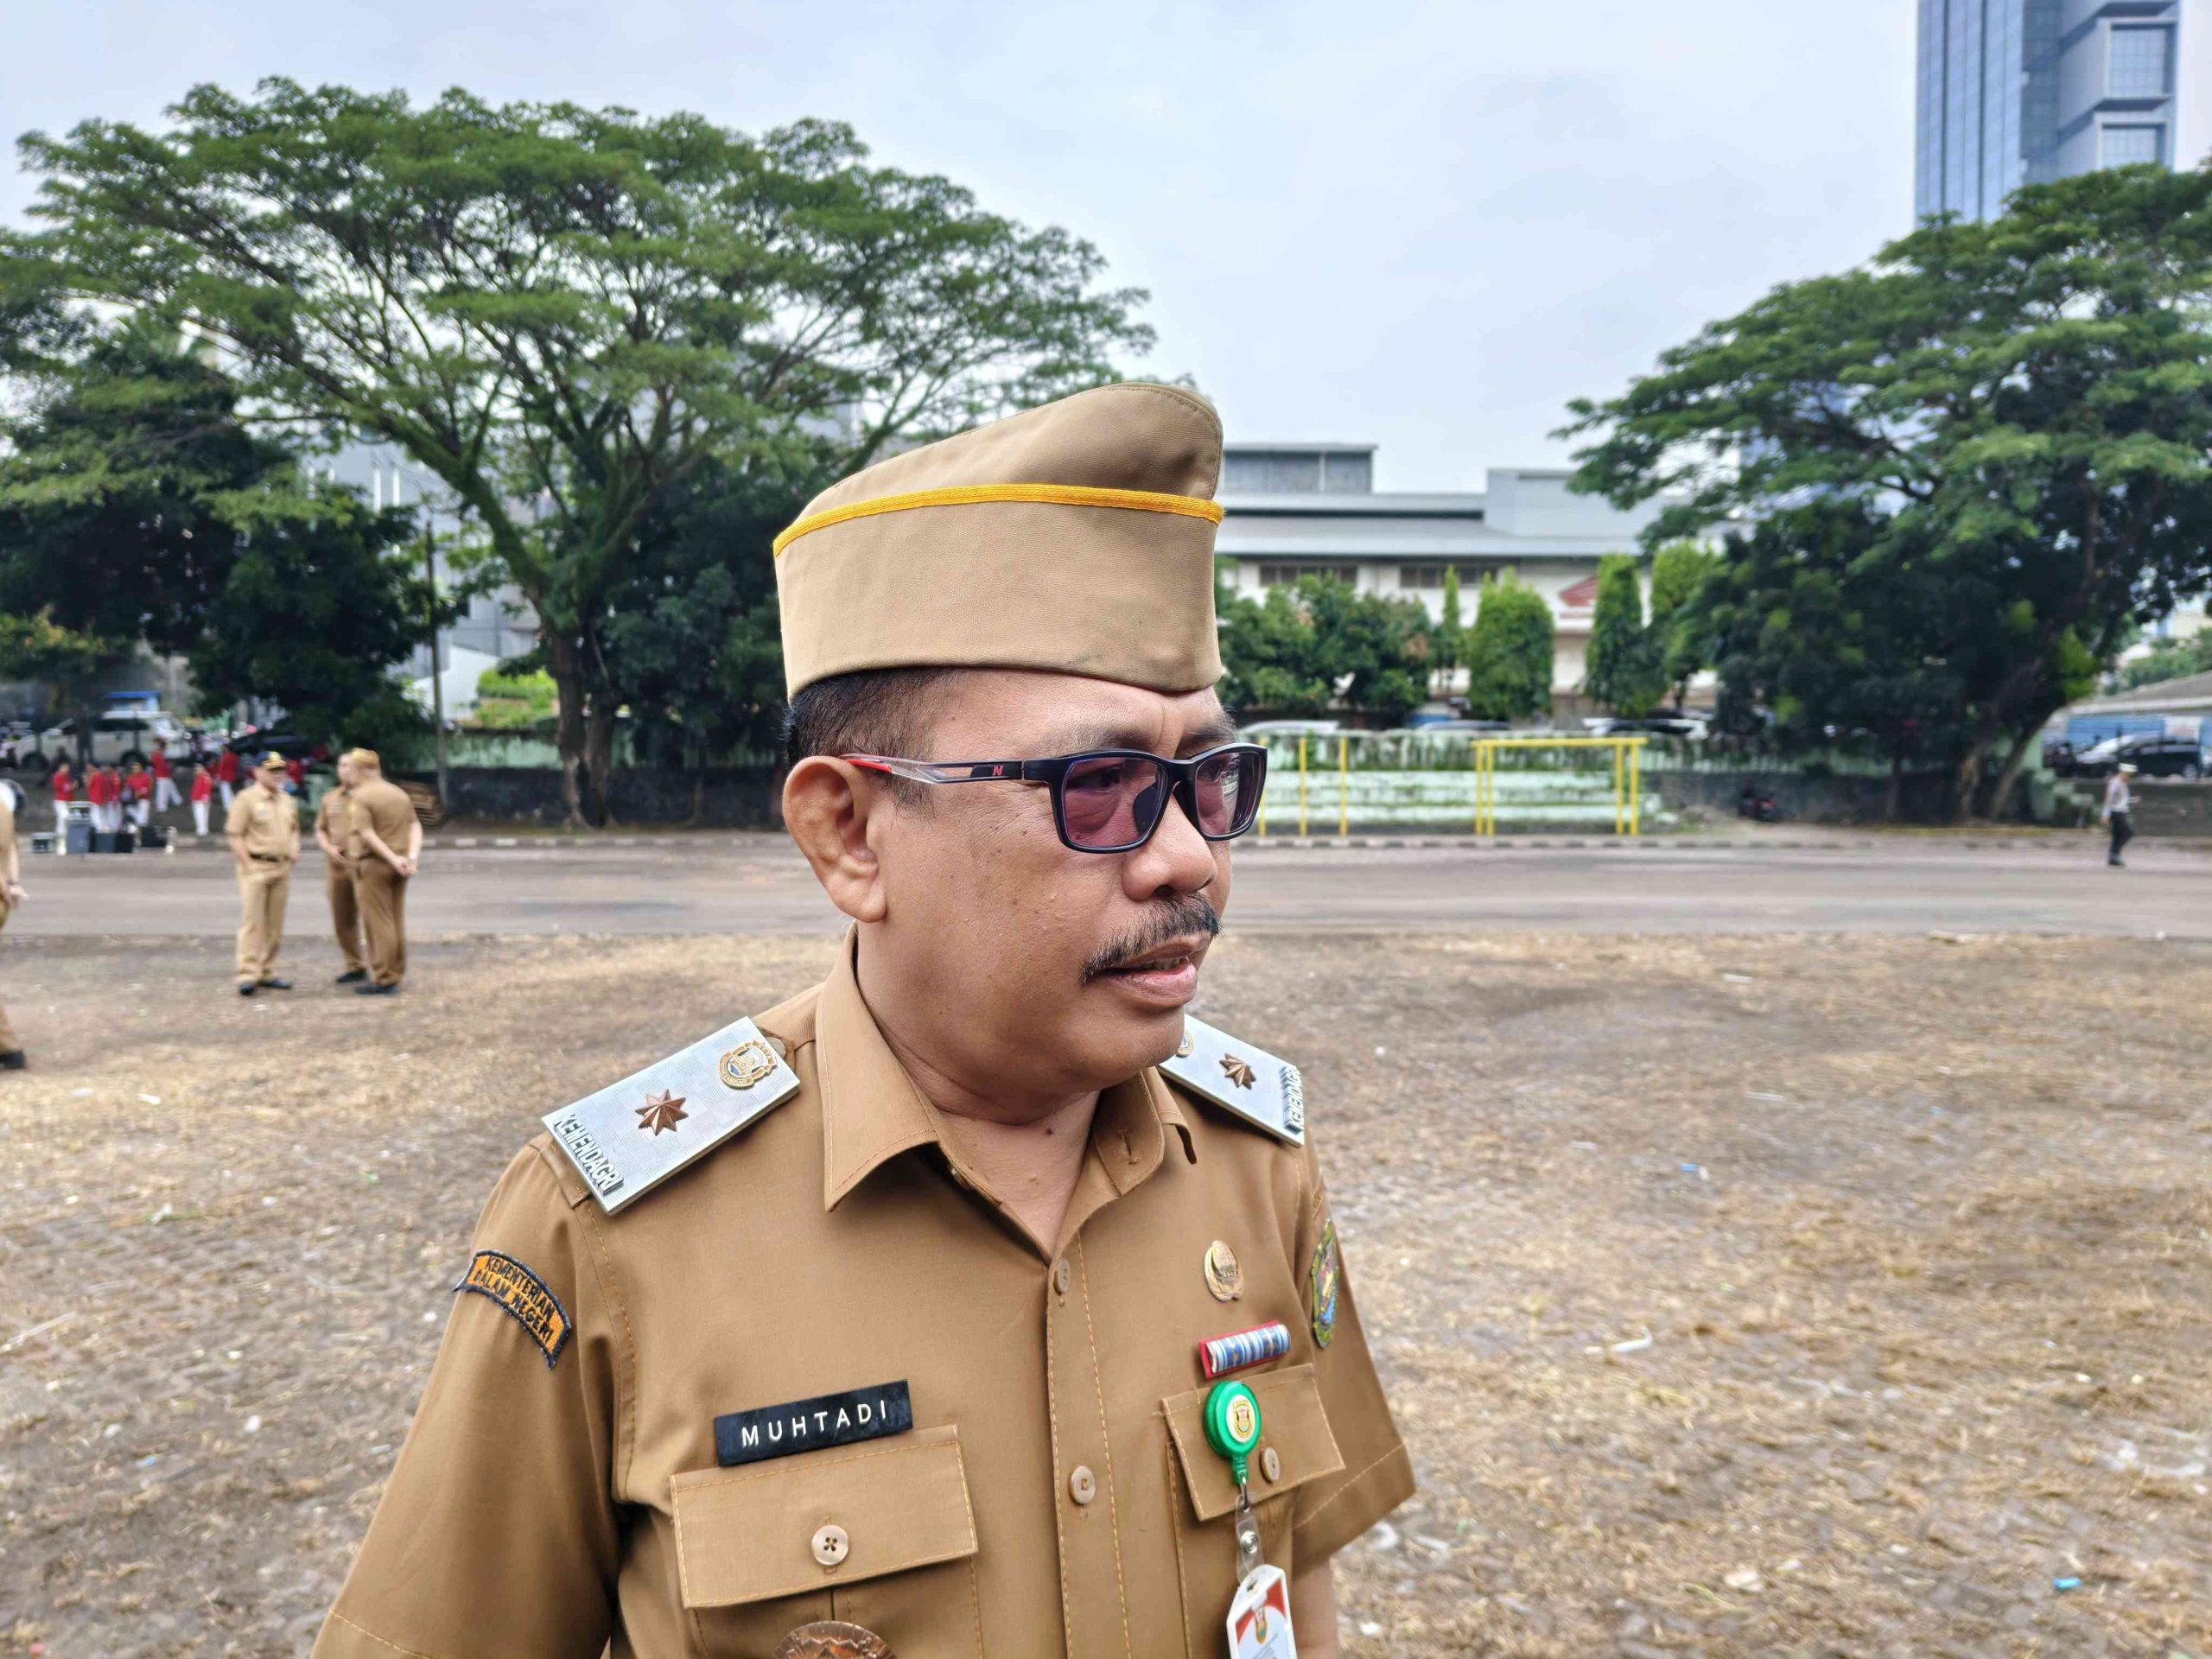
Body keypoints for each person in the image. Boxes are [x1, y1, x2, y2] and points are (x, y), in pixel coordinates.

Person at [312, 385, 1411, 1659]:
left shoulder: (1254, 1164)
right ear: (849, 833)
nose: (1188, 859)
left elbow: (1294, 1580)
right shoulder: (610, 1237)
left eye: (1208, 781)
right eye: (1099, 786)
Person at [343, 749, 419, 995]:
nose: (348, 773)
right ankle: (396, 970)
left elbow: (367, 834)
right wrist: (411, 856)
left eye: (351, 768)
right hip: (401, 865)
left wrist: (392, 858)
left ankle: (384, 977)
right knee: (395, 919)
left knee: (378, 922)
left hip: (375, 864)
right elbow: (415, 825)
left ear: (361, 770)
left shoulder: (362, 797)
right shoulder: (398, 793)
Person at [226, 754, 299, 995]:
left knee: (275, 924)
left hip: (281, 867)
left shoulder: (286, 799)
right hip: (256, 866)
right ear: (257, 772)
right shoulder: (246, 799)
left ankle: (268, 970)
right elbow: (235, 834)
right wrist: (248, 864)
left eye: (281, 770)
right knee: (253, 923)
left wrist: (293, 850)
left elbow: (294, 829)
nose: (278, 774)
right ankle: (248, 973)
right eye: (272, 770)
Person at [314, 753, 368, 984]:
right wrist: (328, 848)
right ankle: (355, 964)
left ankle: (380, 965)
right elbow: (320, 828)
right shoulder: (330, 798)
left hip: (365, 863)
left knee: (372, 917)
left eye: (351, 766)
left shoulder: (370, 797)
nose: (346, 770)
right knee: (342, 918)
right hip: (337, 864)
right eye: (342, 765)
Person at [0, 783, 25, 1069]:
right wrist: (13, 885)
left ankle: (9, 1049)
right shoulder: (6, 811)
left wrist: (4, 888)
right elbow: (13, 853)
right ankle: (8, 1049)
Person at [2104, 760, 2137, 868]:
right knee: (2127, 832)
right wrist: (2106, 814)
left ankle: (2113, 857)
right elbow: (2109, 799)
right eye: (2129, 774)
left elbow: (2122, 799)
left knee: (2117, 835)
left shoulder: (2122, 783)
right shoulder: (2115, 783)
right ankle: (2115, 854)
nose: (2129, 777)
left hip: (2121, 810)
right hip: (2116, 811)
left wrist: (2132, 800)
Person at [150, 740, 181, 813]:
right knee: (162, 792)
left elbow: (155, 764)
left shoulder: (156, 754)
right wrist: (169, 769)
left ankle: (177, 800)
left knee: (171, 787)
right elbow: (162, 766)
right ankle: (161, 807)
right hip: (162, 775)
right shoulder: (159, 755)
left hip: (162, 775)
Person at [124, 760, 153, 830]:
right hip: (133, 800)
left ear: (141, 769)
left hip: (144, 799)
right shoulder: (130, 778)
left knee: (142, 820)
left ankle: (142, 828)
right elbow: (127, 788)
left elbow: (148, 789)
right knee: (129, 810)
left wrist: (140, 792)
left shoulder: (146, 777)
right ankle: (141, 825)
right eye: (134, 769)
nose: (135, 770)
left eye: (137, 768)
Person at [48, 760, 73, 841]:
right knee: (64, 816)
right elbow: (60, 788)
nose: (68, 770)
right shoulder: (58, 776)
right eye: (66, 768)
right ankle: (60, 833)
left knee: (63, 818)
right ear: (62, 768)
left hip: (67, 799)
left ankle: (62, 833)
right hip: (60, 800)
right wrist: (71, 786)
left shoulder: (66, 777)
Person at [189, 763, 213, 838]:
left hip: (201, 800)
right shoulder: (199, 777)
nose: (196, 771)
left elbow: (207, 788)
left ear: (202, 769)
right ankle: (203, 830)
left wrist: (205, 798)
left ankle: (202, 830)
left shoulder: (205, 777)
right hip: (197, 799)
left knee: (201, 816)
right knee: (201, 816)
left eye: (198, 769)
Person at [214, 745, 239, 810]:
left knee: (225, 791)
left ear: (227, 749)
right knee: (230, 790)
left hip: (224, 776)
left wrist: (219, 776)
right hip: (233, 775)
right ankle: (235, 803)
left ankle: (228, 806)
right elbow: (236, 767)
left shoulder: (225, 757)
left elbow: (221, 767)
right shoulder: (235, 757)